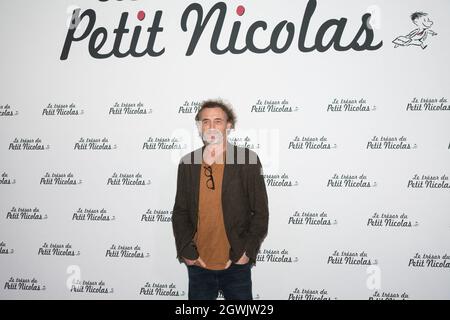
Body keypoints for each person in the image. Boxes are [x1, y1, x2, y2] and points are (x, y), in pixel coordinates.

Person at [171, 99, 269, 300]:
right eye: (205, 121)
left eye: (218, 121)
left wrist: (246, 252)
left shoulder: (247, 160)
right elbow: (180, 212)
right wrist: (187, 252)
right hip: (199, 264)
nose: (211, 126)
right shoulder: (188, 163)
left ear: (229, 125)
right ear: (199, 126)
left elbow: (260, 213)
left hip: (236, 263)